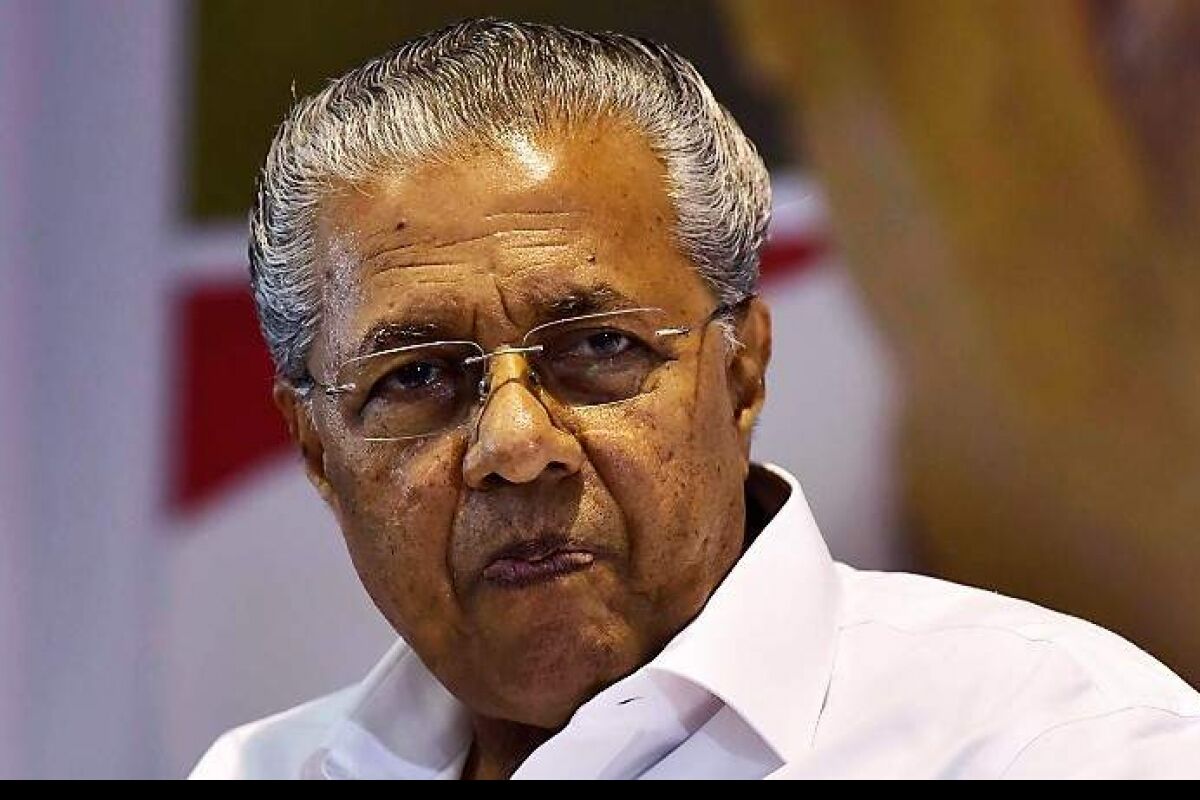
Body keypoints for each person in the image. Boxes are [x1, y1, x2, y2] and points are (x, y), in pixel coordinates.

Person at [190, 19, 1200, 779]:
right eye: (415, 376)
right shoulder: (264, 766)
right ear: (317, 450)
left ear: (743, 369)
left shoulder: (1057, 745)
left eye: (599, 347)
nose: (515, 441)